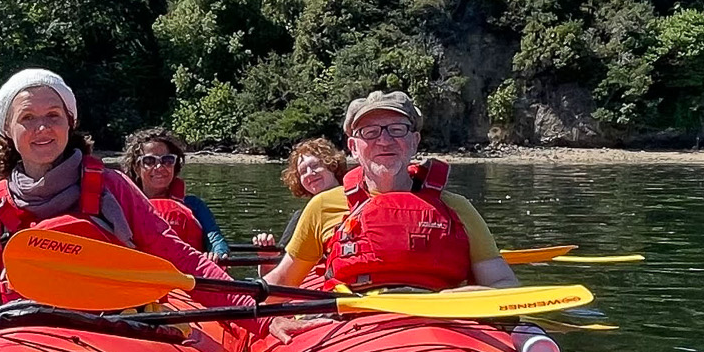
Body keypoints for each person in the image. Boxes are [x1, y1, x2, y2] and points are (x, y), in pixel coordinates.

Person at [0, 71, 239, 352]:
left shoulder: (112, 187)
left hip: (120, 331)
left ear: (69, 123)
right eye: (27, 118)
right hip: (27, 344)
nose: (42, 128)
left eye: (53, 116)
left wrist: (255, 315)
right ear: (9, 132)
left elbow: (181, 259)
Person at [265, 91, 521, 293]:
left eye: (397, 129)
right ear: (353, 147)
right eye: (370, 132)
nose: (384, 141)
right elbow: (283, 279)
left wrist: (471, 295)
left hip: (443, 325)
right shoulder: (323, 207)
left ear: (414, 141)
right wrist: (272, 320)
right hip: (351, 330)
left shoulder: (457, 208)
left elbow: (502, 282)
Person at [122, 128, 230, 257]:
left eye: (167, 160)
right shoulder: (124, 205)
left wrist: (218, 253)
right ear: (136, 167)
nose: (159, 167)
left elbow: (216, 241)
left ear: (175, 165)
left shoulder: (194, 205)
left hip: (188, 273)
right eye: (149, 161)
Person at [254, 138, 346, 253]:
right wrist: (266, 257)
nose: (310, 173)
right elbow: (279, 264)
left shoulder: (359, 201)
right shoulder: (301, 217)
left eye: (315, 165)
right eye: (303, 171)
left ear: (332, 165)